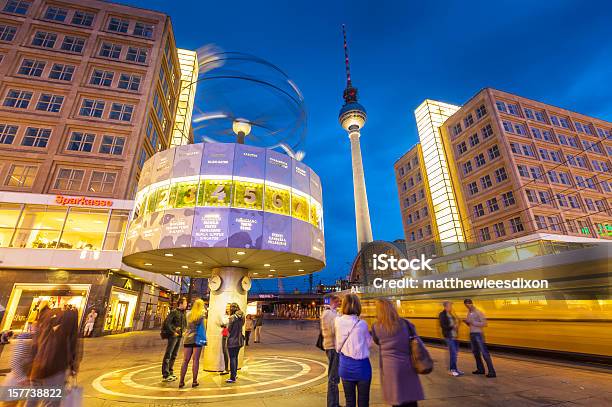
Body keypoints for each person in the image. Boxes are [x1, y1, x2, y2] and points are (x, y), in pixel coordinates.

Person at [372, 298, 424, 407]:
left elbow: (377, 341)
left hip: (390, 369)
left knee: (396, 399)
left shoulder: (376, 327)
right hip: (407, 365)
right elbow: (416, 340)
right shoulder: (406, 323)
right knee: (410, 399)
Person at [28, 307, 80, 407]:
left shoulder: (45, 317)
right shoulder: (71, 318)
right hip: (55, 368)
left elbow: (34, 345)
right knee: (51, 403)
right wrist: (73, 366)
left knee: (32, 400)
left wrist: (29, 366)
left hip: (37, 367)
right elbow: (73, 344)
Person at [335, 293, 372, 407]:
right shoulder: (362, 324)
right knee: (363, 402)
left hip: (345, 367)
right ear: (358, 306)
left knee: (349, 401)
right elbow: (369, 343)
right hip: (362, 368)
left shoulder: (337, 321)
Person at [463, 299, 496, 378]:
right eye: (466, 305)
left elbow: (485, 323)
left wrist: (473, 323)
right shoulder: (469, 312)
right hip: (472, 334)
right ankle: (480, 369)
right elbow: (470, 324)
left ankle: (492, 372)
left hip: (478, 334)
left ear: (471, 303)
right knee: (476, 353)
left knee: (484, 353)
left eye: (468, 305)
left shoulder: (478, 312)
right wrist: (467, 322)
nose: (467, 307)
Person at [179, 299, 207, 388]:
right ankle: (194, 381)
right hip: (197, 339)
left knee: (185, 360)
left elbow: (185, 326)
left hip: (188, 338)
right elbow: (203, 329)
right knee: (196, 360)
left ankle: (181, 381)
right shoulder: (201, 316)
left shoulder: (188, 314)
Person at [320, 295, 341, 407]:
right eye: (337, 301)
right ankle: (332, 404)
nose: (339, 303)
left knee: (334, 377)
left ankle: (335, 403)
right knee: (333, 377)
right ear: (332, 301)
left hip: (333, 347)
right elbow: (334, 330)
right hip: (332, 347)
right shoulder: (328, 314)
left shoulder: (332, 313)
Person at [161, 297, 187, 382]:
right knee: (169, 354)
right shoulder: (174, 312)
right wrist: (173, 332)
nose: (186, 304)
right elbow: (167, 323)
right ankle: (165, 374)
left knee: (174, 354)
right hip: (173, 336)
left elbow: (185, 324)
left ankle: (170, 372)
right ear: (181, 303)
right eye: (185, 303)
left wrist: (184, 331)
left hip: (179, 336)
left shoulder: (183, 313)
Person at [439, 301, 464, 377]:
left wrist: (459, 322)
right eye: (450, 306)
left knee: (455, 354)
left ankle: (455, 369)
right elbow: (443, 326)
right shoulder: (442, 314)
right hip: (449, 337)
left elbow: (455, 326)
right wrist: (453, 326)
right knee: (453, 353)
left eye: (451, 306)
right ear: (445, 306)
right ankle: (452, 370)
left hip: (455, 336)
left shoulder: (451, 314)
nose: (451, 307)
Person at [225, 303, 245, 383]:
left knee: (232, 358)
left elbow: (229, 330)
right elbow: (242, 325)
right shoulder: (242, 316)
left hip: (232, 340)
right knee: (235, 358)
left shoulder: (232, 318)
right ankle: (235, 374)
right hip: (239, 340)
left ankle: (232, 377)